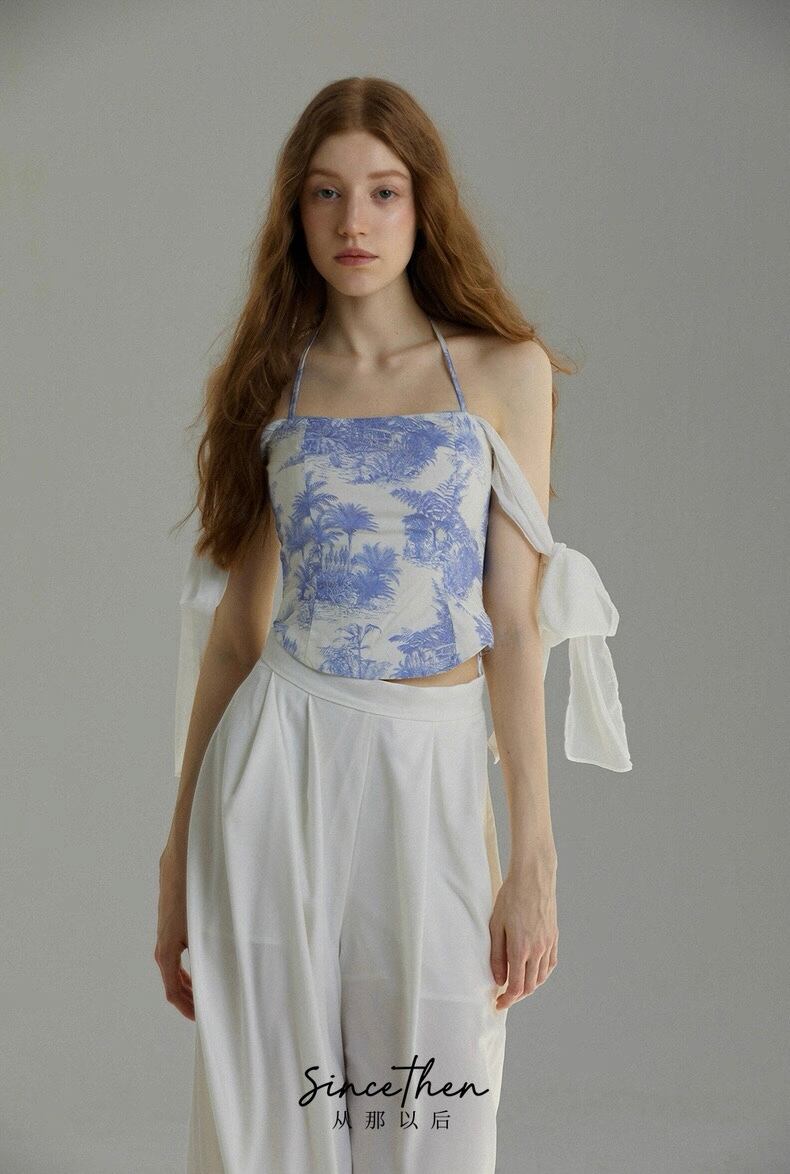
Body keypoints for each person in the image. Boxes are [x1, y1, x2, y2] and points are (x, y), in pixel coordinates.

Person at [155, 77, 632, 1174]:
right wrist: (176, 859)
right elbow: (233, 637)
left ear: (423, 205)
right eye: (326, 193)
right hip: (275, 771)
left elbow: (515, 624)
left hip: (432, 772)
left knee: (432, 1115)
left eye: (382, 191)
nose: (354, 222)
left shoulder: (504, 373)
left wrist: (533, 857)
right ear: (296, 212)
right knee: (269, 1126)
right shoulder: (271, 384)